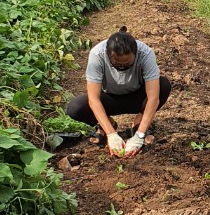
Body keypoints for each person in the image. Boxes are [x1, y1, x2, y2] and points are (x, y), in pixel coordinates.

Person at [66, 25, 172, 157]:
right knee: (75, 107)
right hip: (109, 99)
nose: (122, 67)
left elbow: (153, 98)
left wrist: (140, 135)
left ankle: (138, 125)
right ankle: (107, 125)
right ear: (108, 55)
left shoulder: (145, 53)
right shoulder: (97, 54)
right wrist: (111, 134)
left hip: (137, 97)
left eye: (128, 64)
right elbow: (94, 99)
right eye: (117, 64)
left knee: (163, 85)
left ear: (136, 54)